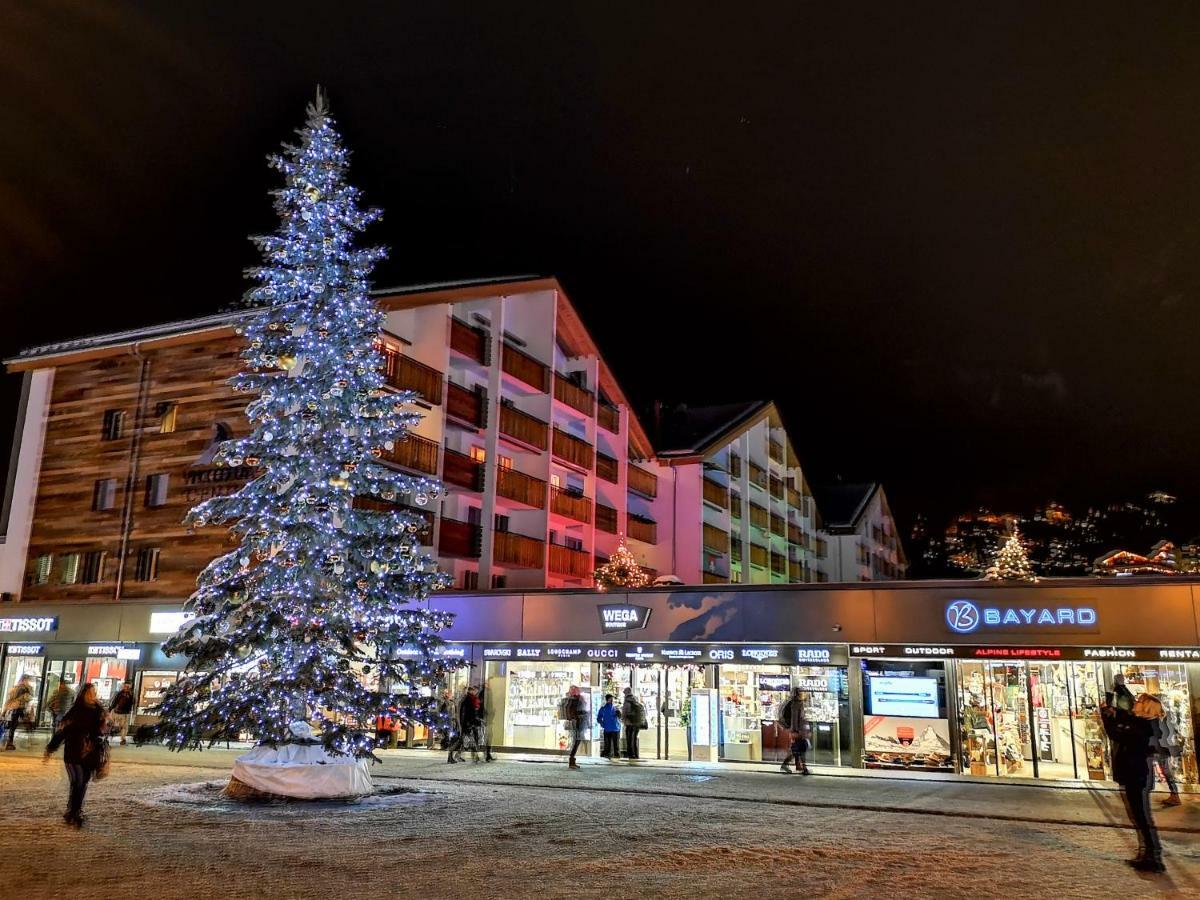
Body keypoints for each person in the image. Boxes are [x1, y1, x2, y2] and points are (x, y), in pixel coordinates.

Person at [1102, 692, 1165, 873]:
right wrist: (1113, 711)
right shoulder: (1142, 724)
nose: (1135, 703)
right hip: (1135, 772)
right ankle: (1148, 853)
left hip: (1135, 773)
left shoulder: (1141, 727)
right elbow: (1125, 719)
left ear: (1145, 708)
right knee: (1139, 814)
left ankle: (1152, 856)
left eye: (1139, 702)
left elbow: (1116, 734)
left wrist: (1106, 718)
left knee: (1140, 815)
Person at [42, 682, 106, 829]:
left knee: (82, 783)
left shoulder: (98, 710)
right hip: (73, 751)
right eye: (90, 692)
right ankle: (73, 811)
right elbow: (63, 731)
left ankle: (74, 810)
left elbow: (102, 730)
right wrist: (51, 748)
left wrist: (105, 719)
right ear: (84, 694)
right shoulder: (76, 711)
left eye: (94, 692)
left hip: (90, 753)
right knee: (77, 782)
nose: (93, 695)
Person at [1152, 704, 1182, 807]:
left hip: (1162, 747)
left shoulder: (1158, 719)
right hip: (1163, 747)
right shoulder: (1162, 717)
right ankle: (1174, 794)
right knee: (1165, 770)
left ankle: (1174, 795)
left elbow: (1160, 734)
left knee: (1166, 770)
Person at [778, 687, 811, 775]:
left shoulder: (794, 703)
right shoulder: (796, 704)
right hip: (797, 730)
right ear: (798, 694)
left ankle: (799, 766)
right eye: (802, 692)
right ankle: (802, 767)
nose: (803, 694)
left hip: (797, 730)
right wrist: (796, 731)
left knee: (798, 749)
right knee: (801, 748)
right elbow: (795, 719)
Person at [558, 685, 587, 769]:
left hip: (576, 723)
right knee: (576, 742)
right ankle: (571, 760)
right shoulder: (576, 700)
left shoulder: (573, 700)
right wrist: (581, 715)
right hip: (577, 723)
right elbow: (576, 712)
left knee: (576, 742)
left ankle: (572, 760)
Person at [3, 675, 34, 750]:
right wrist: (29, 688)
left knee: (14, 724)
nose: (28, 682)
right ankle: (9, 742)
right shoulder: (23, 688)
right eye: (27, 680)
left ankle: (10, 741)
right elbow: (30, 696)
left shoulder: (16, 687)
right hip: (18, 707)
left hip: (15, 707)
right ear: (24, 680)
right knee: (15, 724)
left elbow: (11, 698)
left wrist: (5, 711)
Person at [457, 686, 486, 763]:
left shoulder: (472, 699)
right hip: (469, 723)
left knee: (468, 740)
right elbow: (469, 713)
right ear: (471, 691)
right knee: (471, 740)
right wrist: (472, 722)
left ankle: (458, 755)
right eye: (475, 690)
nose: (476, 692)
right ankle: (475, 757)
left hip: (470, 723)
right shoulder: (469, 699)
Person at [621, 687, 646, 760]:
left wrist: (623, 720)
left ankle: (630, 755)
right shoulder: (636, 699)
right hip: (637, 723)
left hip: (629, 723)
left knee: (629, 740)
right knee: (634, 739)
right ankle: (636, 754)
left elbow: (624, 713)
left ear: (626, 693)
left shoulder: (627, 701)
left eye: (624, 692)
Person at [108, 681, 135, 746]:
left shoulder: (129, 694)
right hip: (117, 711)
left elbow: (131, 703)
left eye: (128, 686)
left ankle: (122, 739)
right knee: (113, 724)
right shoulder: (121, 693)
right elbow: (114, 701)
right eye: (125, 686)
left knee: (123, 727)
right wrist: (111, 708)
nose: (126, 687)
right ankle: (111, 735)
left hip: (123, 713)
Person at [596, 694, 622, 760]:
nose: (612, 700)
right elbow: (599, 718)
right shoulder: (604, 708)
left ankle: (613, 757)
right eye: (611, 699)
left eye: (612, 699)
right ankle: (611, 757)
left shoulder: (614, 708)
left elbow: (620, 717)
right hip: (610, 728)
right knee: (610, 746)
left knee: (614, 745)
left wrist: (602, 723)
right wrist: (602, 723)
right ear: (608, 700)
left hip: (614, 728)